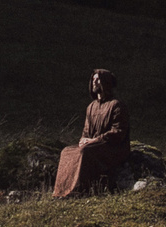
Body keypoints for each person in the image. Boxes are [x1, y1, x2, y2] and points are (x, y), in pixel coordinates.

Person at [53, 68, 129, 199]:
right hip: (94, 145)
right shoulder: (91, 107)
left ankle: (77, 191)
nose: (94, 83)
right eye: (93, 80)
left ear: (106, 82)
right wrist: (83, 139)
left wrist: (94, 141)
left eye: (98, 80)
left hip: (113, 148)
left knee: (85, 152)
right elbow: (86, 131)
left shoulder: (117, 105)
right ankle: (60, 192)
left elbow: (118, 132)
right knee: (67, 151)